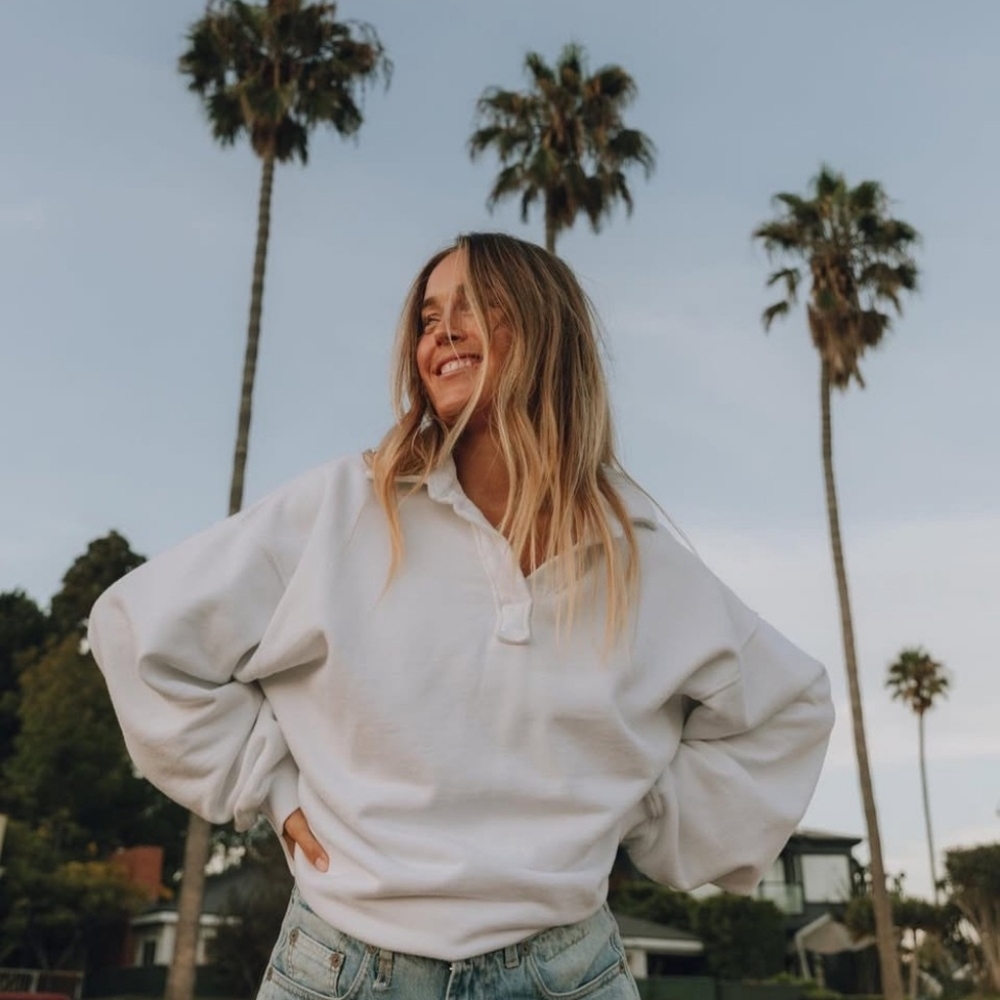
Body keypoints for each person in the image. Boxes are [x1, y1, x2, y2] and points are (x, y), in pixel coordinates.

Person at [89, 232, 835, 1000]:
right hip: (341, 971)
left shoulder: (637, 558)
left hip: (568, 976)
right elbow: (138, 631)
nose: (440, 334)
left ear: (548, 334)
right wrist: (267, 787)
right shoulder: (345, 507)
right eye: (427, 318)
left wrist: (639, 807)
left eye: (477, 309)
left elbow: (789, 709)